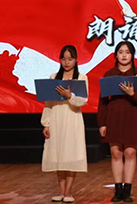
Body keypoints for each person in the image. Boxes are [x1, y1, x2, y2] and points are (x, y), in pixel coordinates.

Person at [98, 41, 137, 202]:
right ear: (116, 55)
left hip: (132, 115)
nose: (124, 55)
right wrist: (102, 123)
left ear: (132, 55)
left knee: (130, 152)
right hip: (113, 115)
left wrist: (132, 93)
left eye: (127, 52)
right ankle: (118, 190)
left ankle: (127, 190)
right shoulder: (109, 74)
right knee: (116, 153)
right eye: (121, 52)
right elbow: (103, 101)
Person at [41, 45, 88, 203]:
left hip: (72, 117)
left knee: (71, 154)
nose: (67, 62)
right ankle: (61, 191)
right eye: (64, 59)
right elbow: (48, 102)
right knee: (58, 154)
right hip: (56, 117)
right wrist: (46, 123)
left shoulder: (81, 78)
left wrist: (69, 95)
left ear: (76, 60)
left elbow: (82, 101)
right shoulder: (54, 77)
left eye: (70, 59)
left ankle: (68, 192)